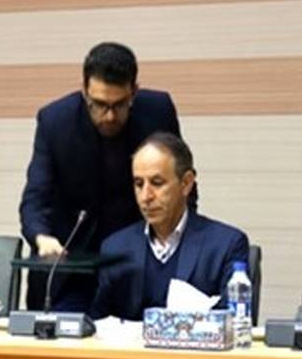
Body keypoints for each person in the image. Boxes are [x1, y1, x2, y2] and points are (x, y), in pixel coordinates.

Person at [19, 41, 187, 311]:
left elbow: (181, 186)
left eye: (119, 105)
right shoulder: (56, 121)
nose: (109, 116)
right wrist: (42, 237)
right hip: (72, 267)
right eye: (98, 104)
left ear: (134, 91)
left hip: (137, 263)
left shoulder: (158, 111)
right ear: (84, 91)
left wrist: (181, 242)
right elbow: (36, 198)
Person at [90, 134, 258, 322]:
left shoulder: (225, 245)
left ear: (186, 183)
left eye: (157, 183)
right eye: (139, 184)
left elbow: (233, 323)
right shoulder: (116, 247)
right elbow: (97, 325)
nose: (146, 196)